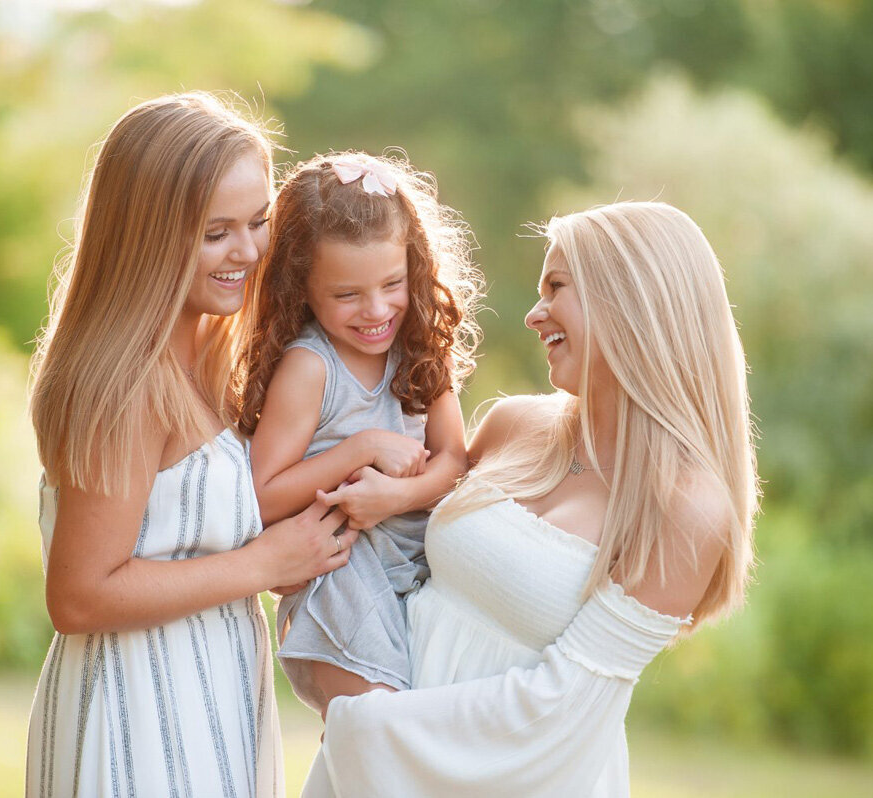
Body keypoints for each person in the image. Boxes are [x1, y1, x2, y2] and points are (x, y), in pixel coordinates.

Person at [302, 201, 759, 797]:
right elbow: (393, 568)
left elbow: (565, 707)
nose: (533, 314)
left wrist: (362, 722)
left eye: (556, 288)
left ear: (632, 301)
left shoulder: (685, 507)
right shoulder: (513, 425)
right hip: (371, 765)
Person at [24, 93, 359, 798]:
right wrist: (263, 561)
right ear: (147, 236)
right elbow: (79, 595)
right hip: (137, 712)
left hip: (208, 691)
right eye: (216, 233)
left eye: (259, 222)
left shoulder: (208, 357)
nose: (247, 251)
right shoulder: (126, 380)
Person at [237, 152, 482, 716]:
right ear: (302, 287)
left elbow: (454, 460)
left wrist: (398, 496)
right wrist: (361, 450)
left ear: (413, 268)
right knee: (378, 729)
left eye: (392, 283)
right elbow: (259, 494)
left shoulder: (419, 348)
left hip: (420, 571)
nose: (376, 310)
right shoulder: (310, 367)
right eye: (347, 295)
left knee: (417, 738)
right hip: (343, 574)